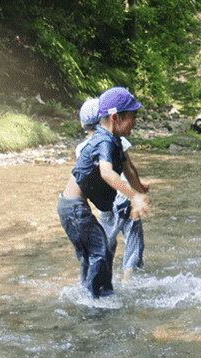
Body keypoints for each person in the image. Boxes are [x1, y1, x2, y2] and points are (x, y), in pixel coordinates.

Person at [57, 87, 151, 298]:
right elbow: (107, 173)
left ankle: (91, 293)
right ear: (115, 117)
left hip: (77, 208)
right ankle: (98, 302)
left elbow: (129, 168)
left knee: (100, 251)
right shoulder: (103, 140)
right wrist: (133, 196)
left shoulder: (115, 140)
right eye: (132, 117)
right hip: (73, 208)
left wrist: (138, 190)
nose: (135, 123)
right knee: (99, 251)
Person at [76, 97, 149, 284]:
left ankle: (102, 274)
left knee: (107, 236)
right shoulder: (115, 139)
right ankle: (128, 278)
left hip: (105, 201)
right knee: (132, 234)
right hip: (124, 195)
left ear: (83, 123)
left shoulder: (81, 148)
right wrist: (138, 189)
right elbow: (129, 167)